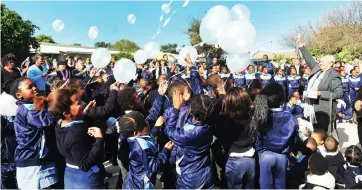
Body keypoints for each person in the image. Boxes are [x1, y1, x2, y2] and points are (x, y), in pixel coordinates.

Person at [47, 88, 106, 188]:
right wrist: (99, 140)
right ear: (66, 113)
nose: (83, 104)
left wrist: (83, 113)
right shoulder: (75, 133)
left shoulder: (60, 123)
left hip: (71, 174)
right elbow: (84, 164)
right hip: (85, 180)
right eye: (78, 103)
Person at [10, 77, 58, 189]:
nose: (35, 88)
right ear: (19, 95)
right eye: (30, 87)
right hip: (32, 159)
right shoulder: (28, 109)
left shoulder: (31, 106)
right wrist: (58, 101)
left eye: (35, 85)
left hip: (34, 158)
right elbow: (47, 120)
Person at [252, 83, 301, 189]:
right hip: (282, 155)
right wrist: (292, 150)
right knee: (281, 185)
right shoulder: (290, 117)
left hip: (265, 155)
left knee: (265, 186)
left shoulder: (260, 115)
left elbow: (255, 137)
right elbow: (295, 139)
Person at [165, 93, 214, 189]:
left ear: (191, 111)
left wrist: (176, 108)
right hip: (206, 171)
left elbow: (169, 130)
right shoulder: (209, 122)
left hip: (190, 177)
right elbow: (202, 107)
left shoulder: (190, 134)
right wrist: (187, 102)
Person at [297, 34, 343, 132]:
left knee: (321, 133)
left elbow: (339, 93)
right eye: (320, 61)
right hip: (311, 106)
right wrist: (301, 45)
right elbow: (309, 58)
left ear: (330, 63)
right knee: (313, 132)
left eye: (322, 62)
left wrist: (320, 93)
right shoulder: (317, 69)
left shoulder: (333, 75)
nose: (320, 63)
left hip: (323, 110)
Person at [119, 111, 173, 189]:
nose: (147, 123)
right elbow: (153, 166)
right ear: (136, 133)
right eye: (143, 124)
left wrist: (156, 127)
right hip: (141, 186)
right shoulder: (141, 148)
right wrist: (165, 150)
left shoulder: (133, 139)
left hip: (134, 180)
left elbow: (147, 138)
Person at [216, 88, 256, 189]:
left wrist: (222, 98)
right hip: (251, 159)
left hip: (234, 160)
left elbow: (216, 115)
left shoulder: (225, 120)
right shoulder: (252, 117)